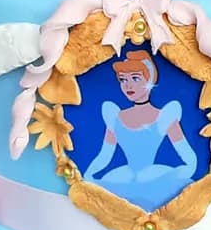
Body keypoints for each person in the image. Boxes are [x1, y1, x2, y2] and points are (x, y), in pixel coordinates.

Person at [84, 51, 198, 210]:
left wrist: (176, 175)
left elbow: (190, 159)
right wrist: (88, 177)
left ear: (150, 79)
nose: (128, 86)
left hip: (155, 178)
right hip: (123, 179)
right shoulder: (115, 117)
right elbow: (105, 156)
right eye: (123, 80)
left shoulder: (164, 117)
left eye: (135, 78)